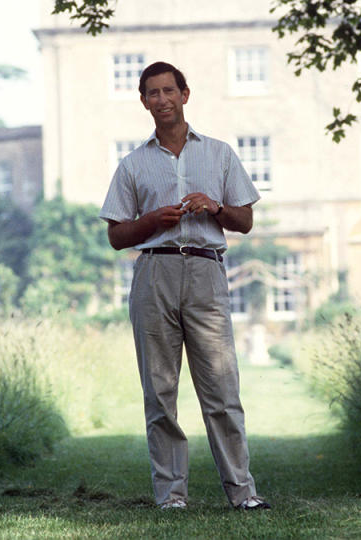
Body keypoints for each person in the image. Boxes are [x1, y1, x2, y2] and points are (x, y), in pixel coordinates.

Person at [99, 61, 270, 511]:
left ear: (185, 94)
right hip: (154, 273)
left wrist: (214, 207)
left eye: (169, 91)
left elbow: (246, 221)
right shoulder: (132, 164)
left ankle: (242, 492)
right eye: (152, 93)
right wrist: (152, 221)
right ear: (143, 102)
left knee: (221, 389)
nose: (162, 100)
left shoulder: (219, 154)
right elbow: (116, 236)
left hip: (205, 273)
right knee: (160, 392)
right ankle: (171, 496)